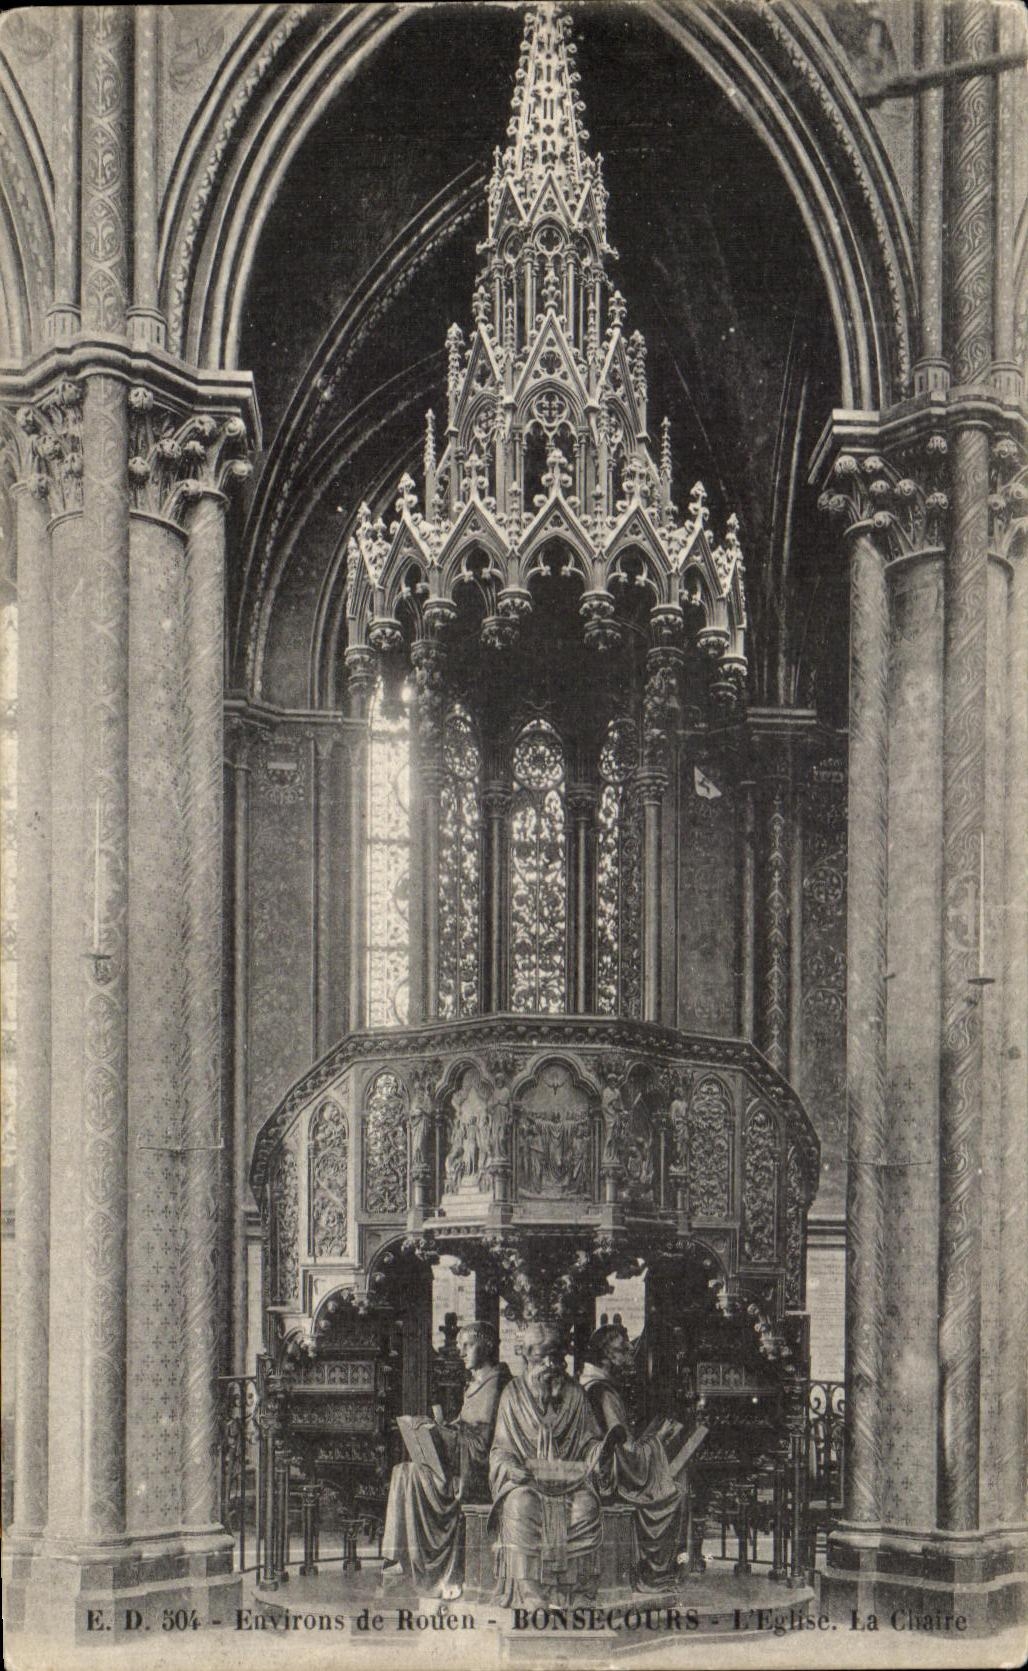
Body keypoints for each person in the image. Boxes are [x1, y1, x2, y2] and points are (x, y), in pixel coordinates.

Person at [489, 1322, 615, 1607]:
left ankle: (580, 1592)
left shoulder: (575, 1395)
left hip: (570, 1483)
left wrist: (599, 1454)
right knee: (519, 1505)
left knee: (587, 1507)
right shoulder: (512, 1395)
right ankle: (530, 1592)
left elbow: (589, 1441)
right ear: (526, 1358)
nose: (549, 1364)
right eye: (540, 1358)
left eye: (556, 1357)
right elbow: (500, 1450)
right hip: (528, 1484)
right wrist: (511, 1469)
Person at [381, 1321, 508, 1597]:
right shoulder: (476, 1383)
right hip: (461, 1461)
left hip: (477, 1471)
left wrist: (440, 1433)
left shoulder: (495, 1383)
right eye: (460, 1345)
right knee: (403, 1470)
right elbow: (466, 1428)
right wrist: (442, 1427)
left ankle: (414, 1562)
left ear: (486, 1346)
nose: (461, 1352)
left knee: (411, 1475)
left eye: (468, 1345)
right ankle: (398, 1558)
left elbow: (482, 1445)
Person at [579, 1323, 684, 1589]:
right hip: (611, 1479)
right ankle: (653, 1574)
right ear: (605, 1357)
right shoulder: (603, 1391)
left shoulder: (593, 1384)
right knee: (673, 1495)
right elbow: (627, 1455)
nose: (629, 1356)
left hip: (598, 1471)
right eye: (622, 1351)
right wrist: (658, 1440)